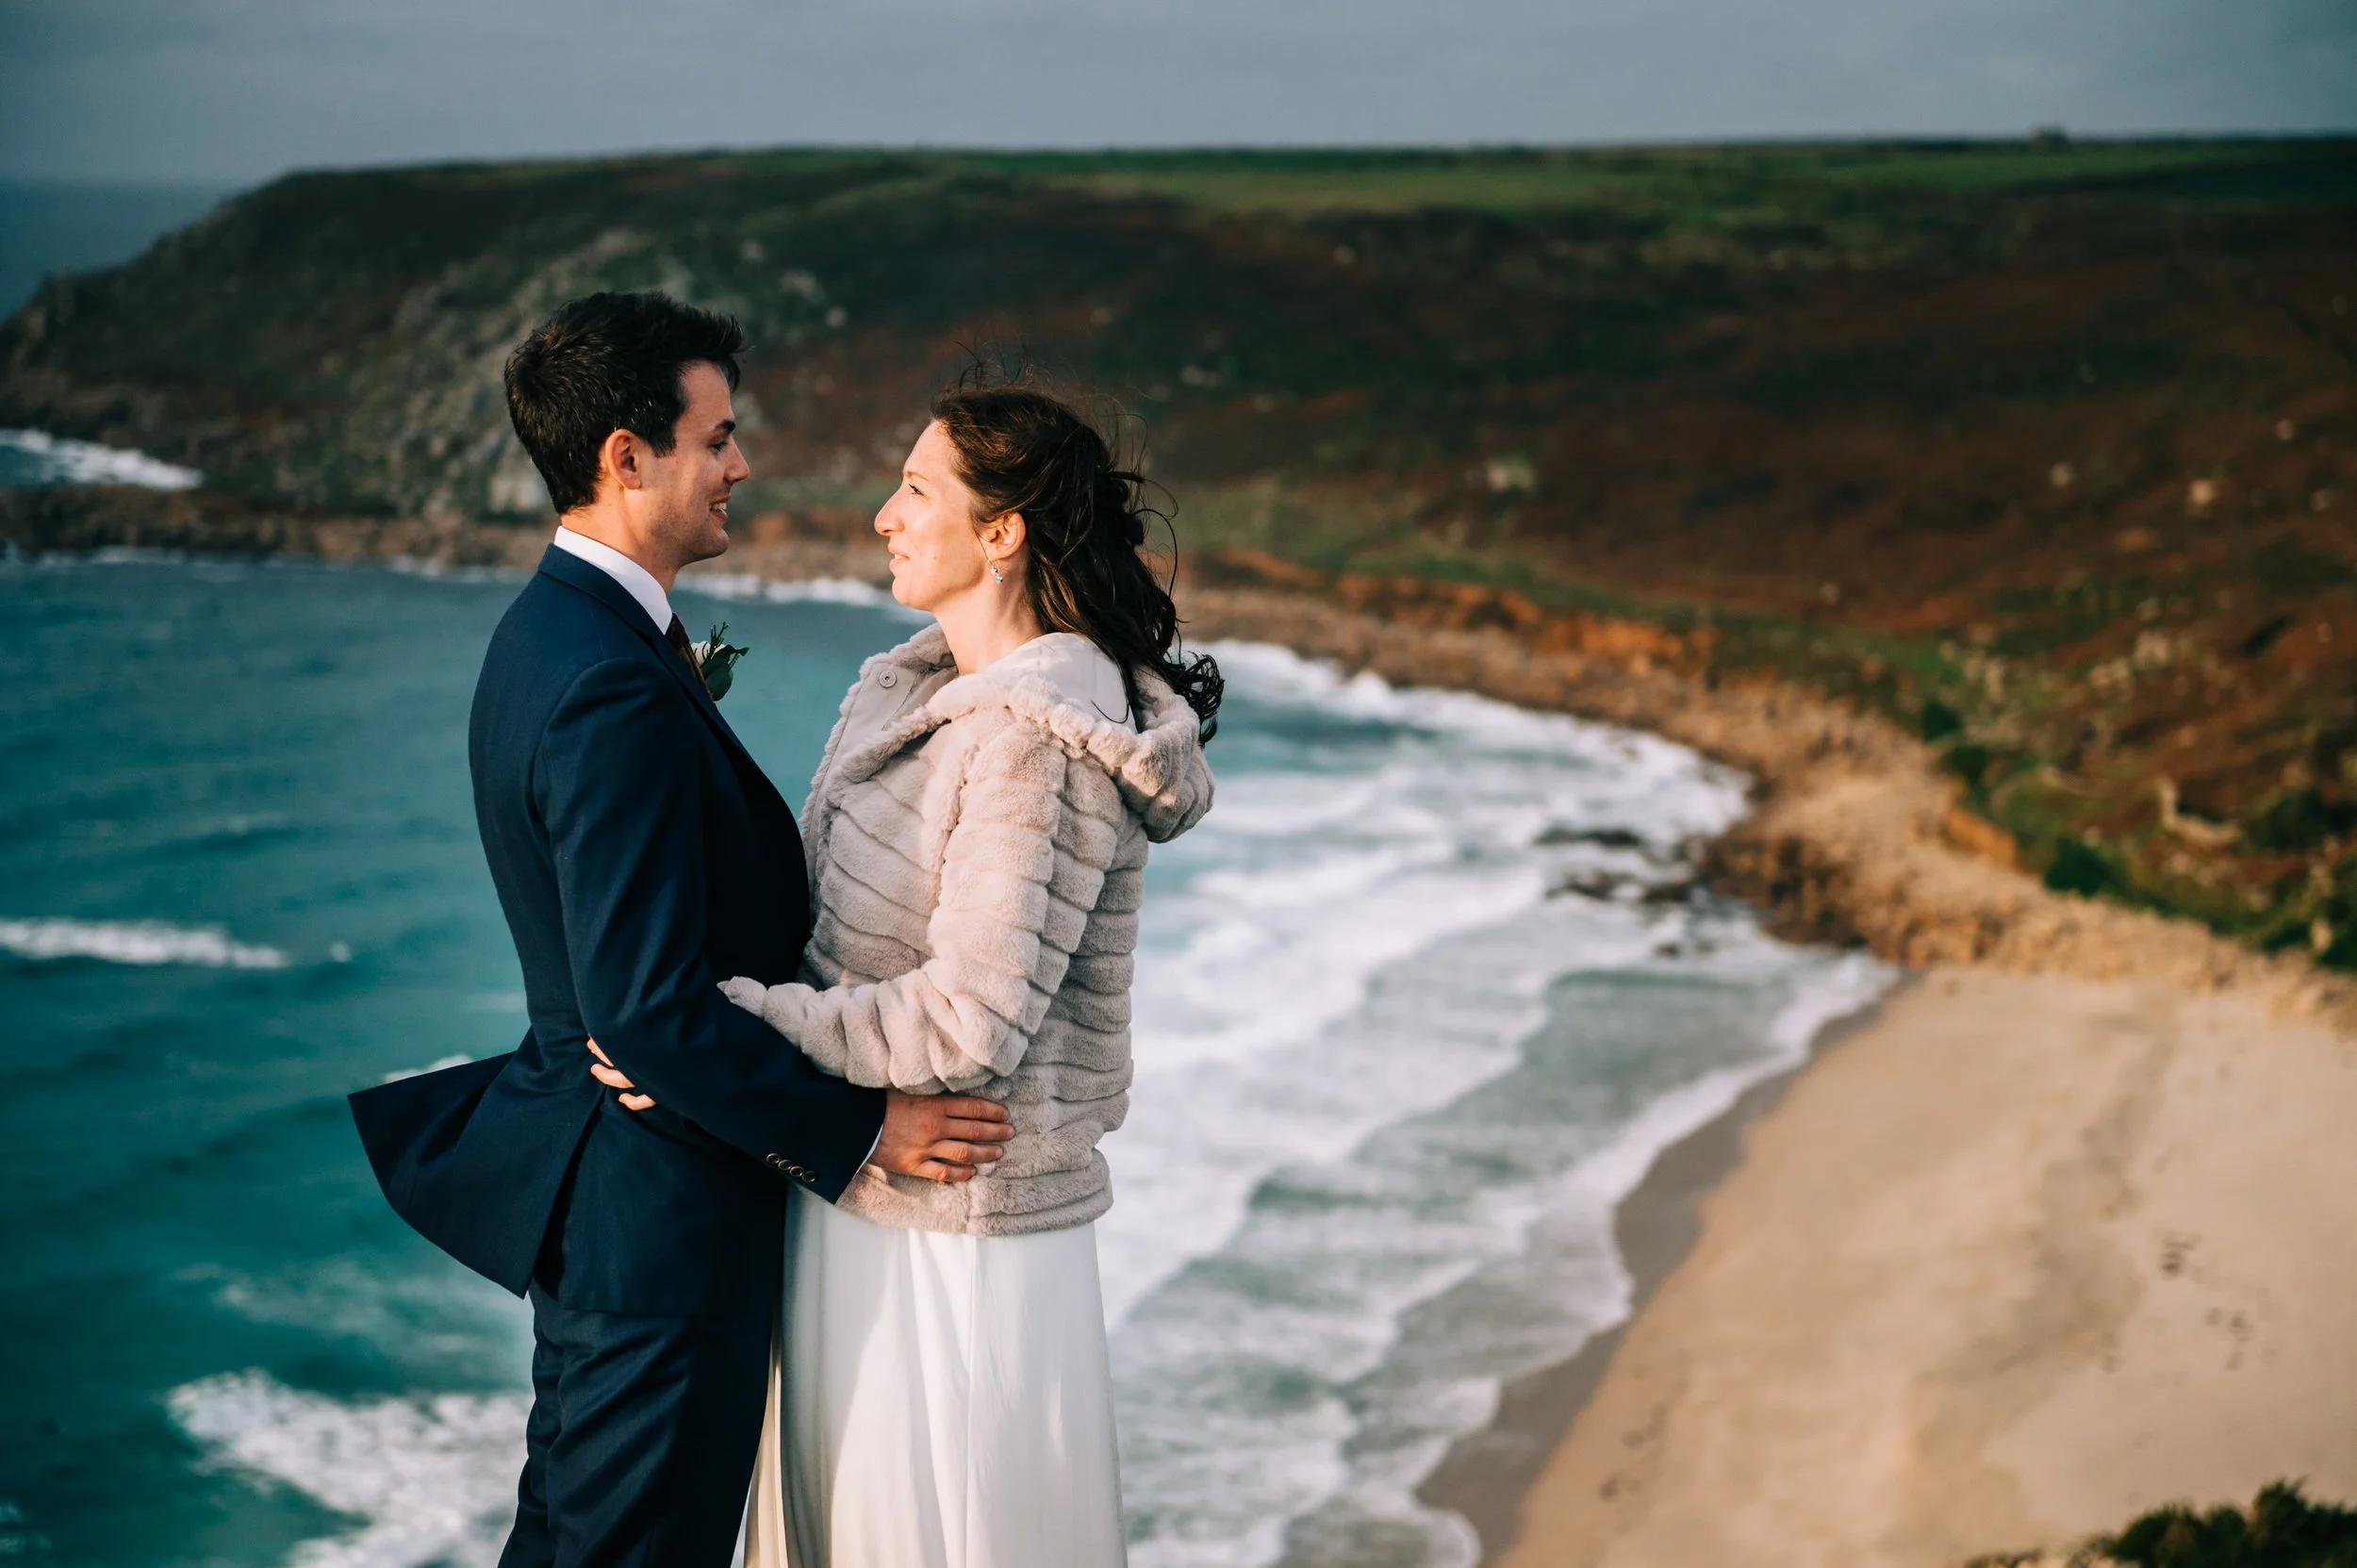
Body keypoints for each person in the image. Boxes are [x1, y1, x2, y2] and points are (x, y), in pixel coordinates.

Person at [347, 290, 1014, 1568]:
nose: (740, 465)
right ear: (625, 454)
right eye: (716, 438)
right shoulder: (606, 680)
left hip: (609, 1194)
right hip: (655, 1226)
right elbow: (646, 1008)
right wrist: (865, 1131)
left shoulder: (556, 630)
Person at [588, 378, 1220, 1565]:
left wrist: (719, 1028)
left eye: (915, 488)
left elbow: (967, 1019)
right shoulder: (927, 686)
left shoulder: (1033, 735)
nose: (883, 514)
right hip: (875, 1195)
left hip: (952, 1238)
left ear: (1001, 533)